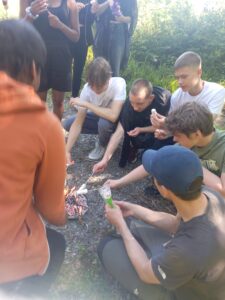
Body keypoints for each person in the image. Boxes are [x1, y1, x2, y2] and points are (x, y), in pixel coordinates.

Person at [98, 145, 225, 300]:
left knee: (107, 246)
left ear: (164, 189)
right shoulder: (208, 194)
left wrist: (121, 226)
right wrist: (134, 209)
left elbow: (145, 272)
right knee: (130, 223)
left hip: (188, 292)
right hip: (196, 267)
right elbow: (175, 225)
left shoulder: (187, 250)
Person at [0, 19, 66, 297]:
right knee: (57, 244)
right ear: (33, 69)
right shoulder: (43, 123)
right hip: (8, 256)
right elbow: (52, 210)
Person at [106, 102, 225, 197]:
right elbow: (154, 161)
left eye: (178, 135)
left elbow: (223, 191)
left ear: (196, 134)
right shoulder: (189, 142)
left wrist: (194, 164)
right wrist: (119, 182)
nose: (174, 139)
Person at [93, 79, 171, 173]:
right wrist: (105, 160)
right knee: (134, 135)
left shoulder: (163, 100)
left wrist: (142, 129)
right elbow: (118, 133)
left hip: (161, 129)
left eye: (139, 103)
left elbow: (167, 126)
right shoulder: (128, 107)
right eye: (132, 102)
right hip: (138, 124)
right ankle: (134, 148)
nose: (135, 107)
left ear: (151, 98)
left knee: (150, 150)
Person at [20, 0, 80, 120]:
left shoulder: (70, 3)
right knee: (39, 102)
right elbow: (21, 29)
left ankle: (55, 135)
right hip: (38, 55)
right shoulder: (27, 1)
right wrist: (31, 13)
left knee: (58, 102)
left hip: (61, 57)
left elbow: (76, 37)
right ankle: (40, 135)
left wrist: (60, 25)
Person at [64, 57, 126, 163]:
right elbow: (79, 122)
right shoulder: (86, 90)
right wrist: (66, 151)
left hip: (115, 122)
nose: (96, 89)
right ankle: (103, 135)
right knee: (68, 123)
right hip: (97, 117)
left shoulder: (118, 84)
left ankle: (102, 144)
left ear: (109, 78)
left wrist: (86, 104)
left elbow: (113, 115)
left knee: (104, 123)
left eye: (100, 86)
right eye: (92, 86)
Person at [151, 51, 225, 138]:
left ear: (199, 72)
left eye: (184, 77)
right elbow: (174, 127)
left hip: (206, 140)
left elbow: (206, 123)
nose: (180, 82)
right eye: (177, 77)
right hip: (183, 139)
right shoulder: (177, 95)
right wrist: (166, 133)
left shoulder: (217, 91)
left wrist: (168, 122)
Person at [92, 0, 138, 76]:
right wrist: (108, 2)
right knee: (99, 68)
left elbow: (133, 17)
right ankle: (99, 86)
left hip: (118, 35)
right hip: (102, 34)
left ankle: (113, 86)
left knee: (114, 70)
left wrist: (122, 18)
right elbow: (95, 12)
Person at [71, 0, 95, 97]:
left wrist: (93, 9)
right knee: (65, 67)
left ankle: (74, 95)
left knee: (78, 68)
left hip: (83, 37)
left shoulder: (90, 2)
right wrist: (73, 8)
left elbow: (91, 20)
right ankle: (60, 92)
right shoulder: (68, 2)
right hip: (68, 34)